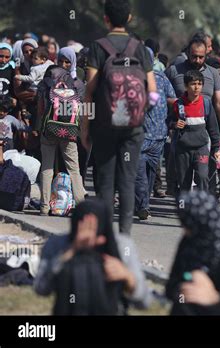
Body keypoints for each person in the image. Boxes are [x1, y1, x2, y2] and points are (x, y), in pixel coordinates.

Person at [81, 0, 157, 235]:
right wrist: (140, 114)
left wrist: (85, 128)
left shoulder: (97, 47)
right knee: (127, 179)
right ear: (130, 18)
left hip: (104, 125)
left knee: (104, 183)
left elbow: (89, 92)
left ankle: (104, 237)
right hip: (133, 127)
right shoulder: (140, 48)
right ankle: (125, 236)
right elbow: (153, 93)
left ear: (106, 19)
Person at [34, 199, 151, 314]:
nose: (89, 236)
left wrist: (127, 277)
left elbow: (144, 301)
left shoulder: (122, 247)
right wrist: (69, 252)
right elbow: (41, 288)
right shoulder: (58, 245)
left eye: (95, 229)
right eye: (83, 227)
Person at [36, 48, 87, 216]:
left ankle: (44, 206)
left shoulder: (46, 81)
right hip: (69, 131)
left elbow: (41, 108)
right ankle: (80, 206)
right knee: (74, 169)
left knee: (47, 167)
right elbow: (81, 110)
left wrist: (39, 127)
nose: (64, 64)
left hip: (49, 129)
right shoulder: (77, 83)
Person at [134, 48, 176, 220]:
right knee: (140, 172)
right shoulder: (132, 80)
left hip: (158, 135)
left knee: (151, 172)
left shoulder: (161, 78)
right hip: (140, 135)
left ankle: (143, 204)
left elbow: (173, 100)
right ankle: (142, 205)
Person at [170, 70, 220, 193]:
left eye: (199, 83)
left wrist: (216, 148)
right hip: (183, 150)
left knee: (203, 177)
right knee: (184, 182)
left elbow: (213, 128)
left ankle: (202, 207)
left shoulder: (206, 104)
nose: (197, 87)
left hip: (201, 148)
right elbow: (168, 122)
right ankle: (186, 209)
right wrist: (174, 124)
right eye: (193, 84)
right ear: (186, 86)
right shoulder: (179, 105)